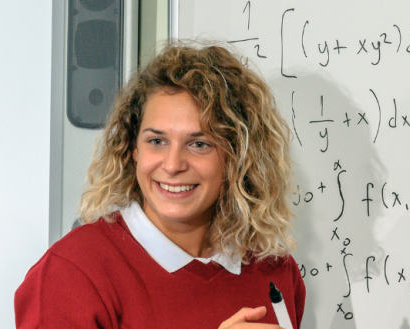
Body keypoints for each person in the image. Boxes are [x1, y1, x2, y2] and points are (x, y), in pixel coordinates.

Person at [15, 42, 304, 329]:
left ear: (237, 157)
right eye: (157, 141)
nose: (172, 164)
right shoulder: (73, 271)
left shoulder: (275, 270)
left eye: (199, 144)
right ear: (134, 150)